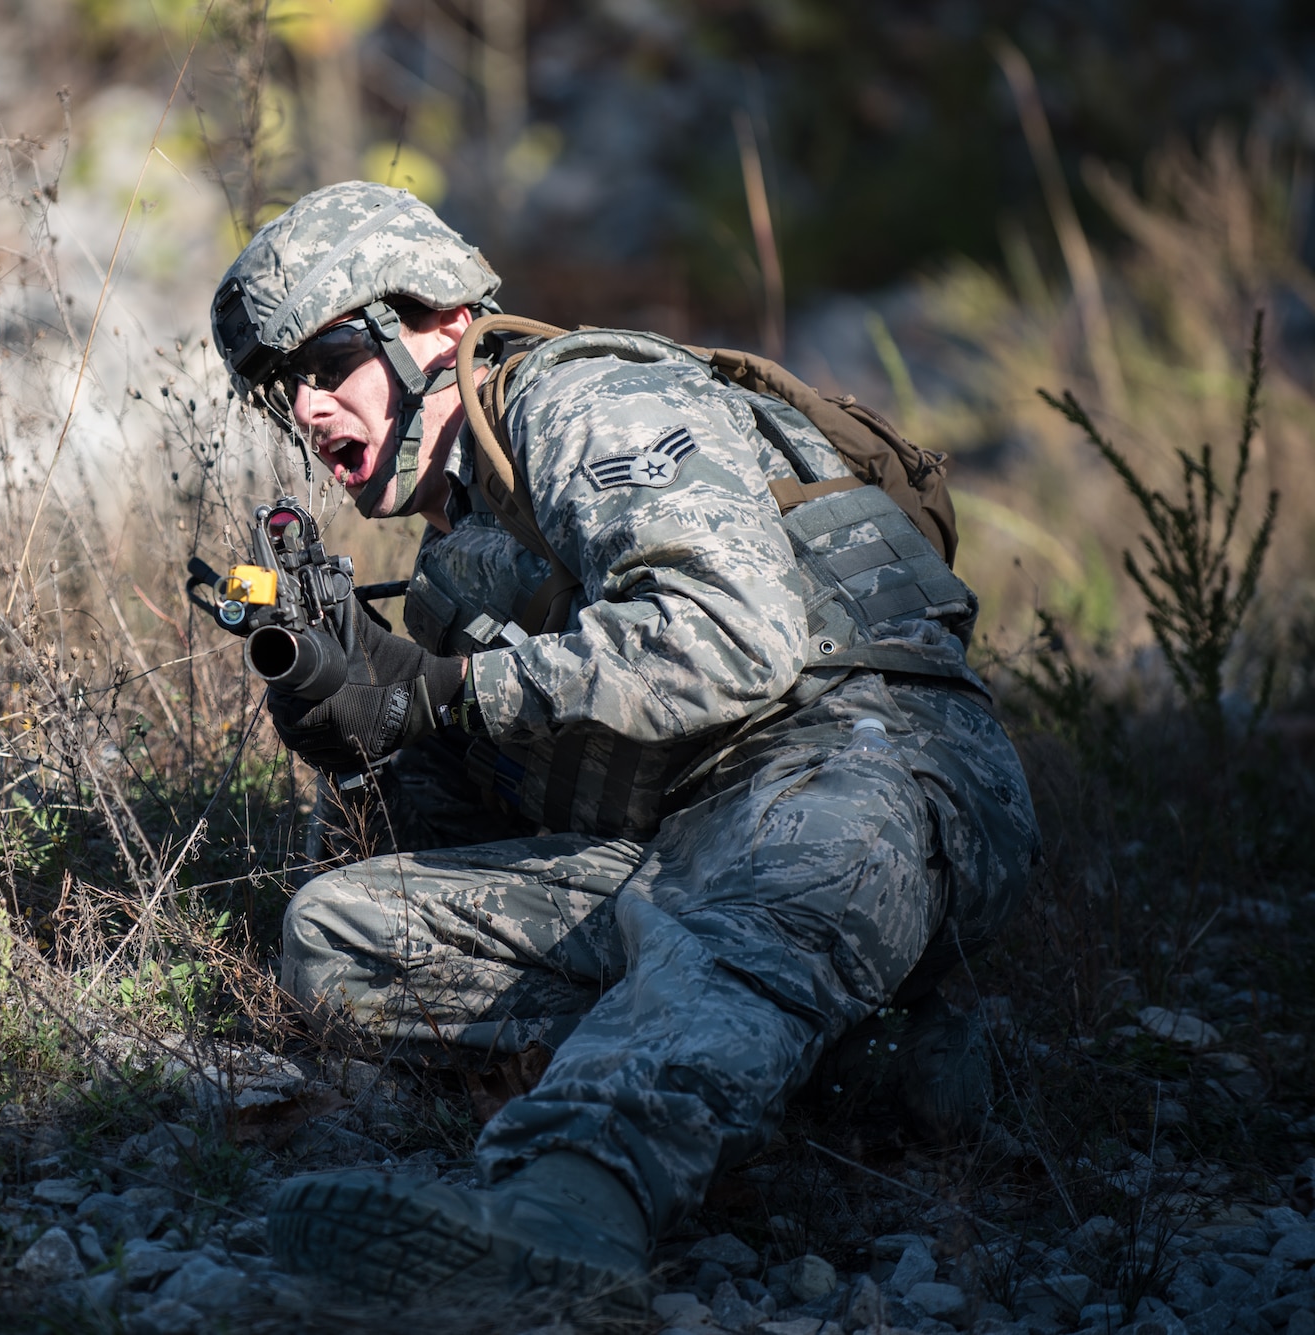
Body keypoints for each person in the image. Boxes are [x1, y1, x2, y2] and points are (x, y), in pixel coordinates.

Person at [208, 181, 1038, 1303]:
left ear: (437, 322)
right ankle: (870, 1065)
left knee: (743, 918)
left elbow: (729, 640)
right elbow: (481, 808)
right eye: (278, 390)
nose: (303, 411)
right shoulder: (458, 564)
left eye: (324, 363)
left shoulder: (587, 399)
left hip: (861, 757)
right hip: (677, 841)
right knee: (342, 936)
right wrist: (354, 729)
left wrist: (444, 692)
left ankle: (562, 1214)